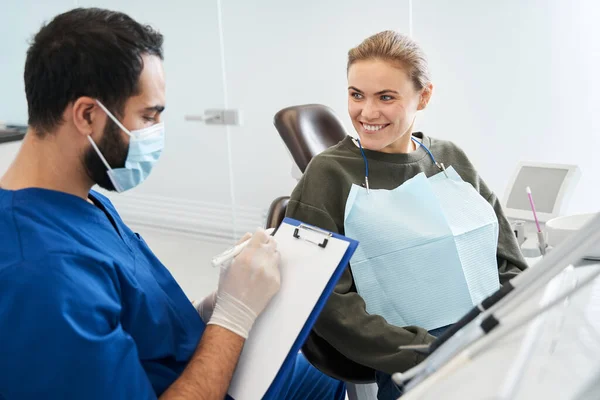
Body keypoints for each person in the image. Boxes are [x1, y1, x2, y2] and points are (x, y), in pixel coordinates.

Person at [0, 8, 345, 400]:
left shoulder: (84, 201)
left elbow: (141, 324)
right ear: (87, 115)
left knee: (345, 366)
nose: (156, 134)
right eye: (148, 116)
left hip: (213, 367)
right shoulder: (40, 276)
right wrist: (234, 316)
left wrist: (218, 306)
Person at [285, 30, 528, 399]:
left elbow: (506, 258)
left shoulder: (449, 158)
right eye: (356, 95)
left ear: (424, 96)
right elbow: (329, 304)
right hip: (410, 358)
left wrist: (508, 320)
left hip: (484, 334)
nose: (367, 112)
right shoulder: (328, 175)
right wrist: (427, 351)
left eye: (386, 97)